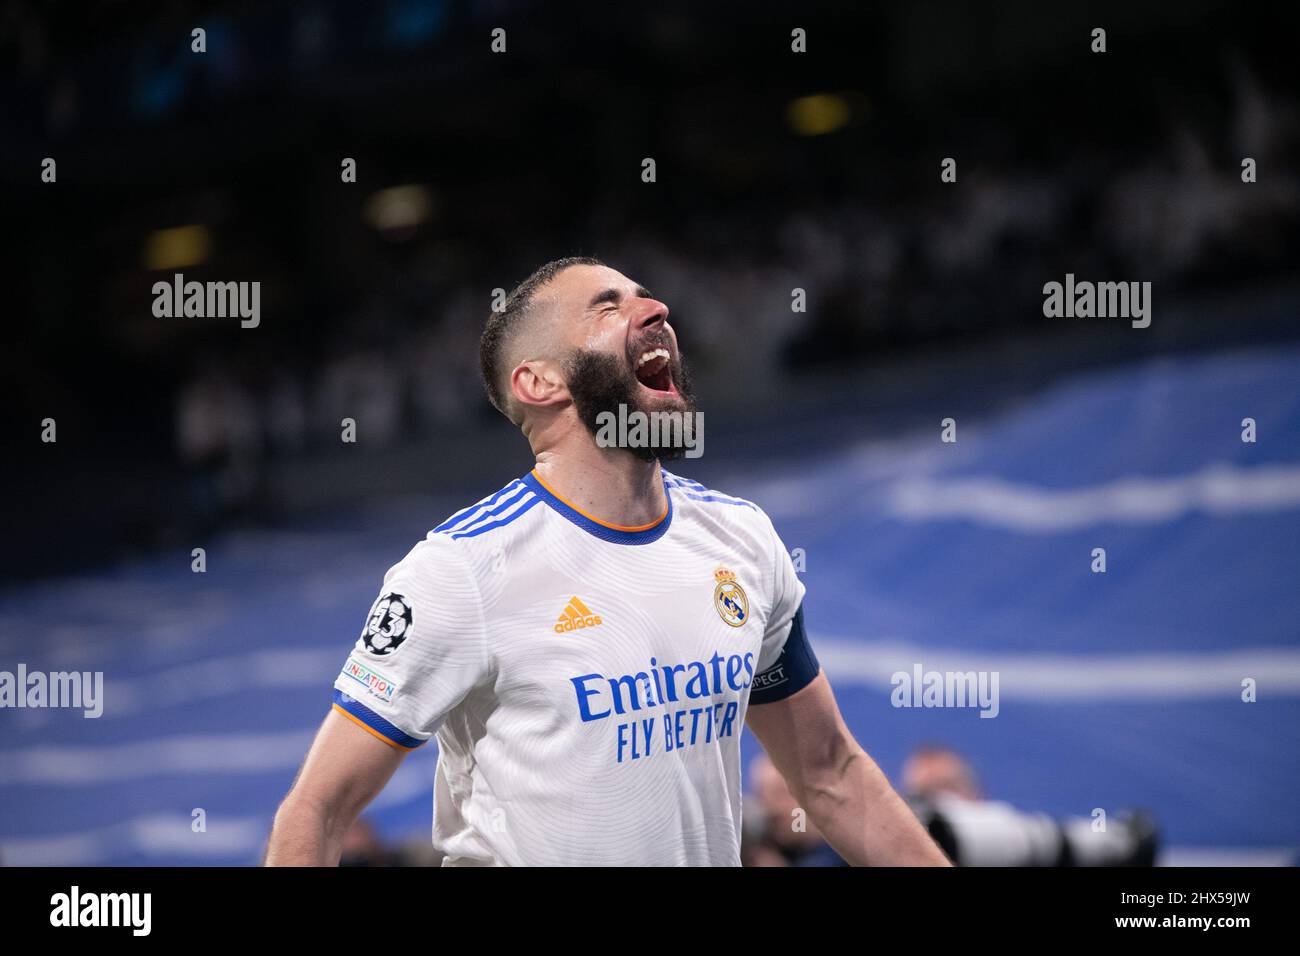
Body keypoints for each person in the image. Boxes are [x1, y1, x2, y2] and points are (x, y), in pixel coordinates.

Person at [265, 257, 950, 867]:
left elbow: (830, 775)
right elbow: (317, 812)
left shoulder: (741, 540)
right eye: (608, 306)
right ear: (539, 382)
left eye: (646, 296)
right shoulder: (461, 571)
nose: (656, 311)